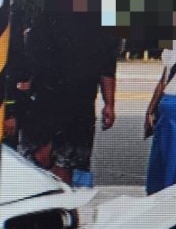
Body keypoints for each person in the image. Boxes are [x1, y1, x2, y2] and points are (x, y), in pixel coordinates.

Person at [19, 10, 118, 186]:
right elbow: (107, 69)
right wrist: (109, 104)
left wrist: (109, 104)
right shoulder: (102, 22)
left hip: (59, 101)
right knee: (61, 163)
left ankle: (53, 195)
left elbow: (107, 67)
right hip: (67, 102)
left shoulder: (48, 16)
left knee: (50, 161)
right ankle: (59, 196)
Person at [144, 40, 176, 194]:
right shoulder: (175, 45)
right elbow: (164, 80)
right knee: (162, 168)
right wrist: (150, 110)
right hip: (166, 116)